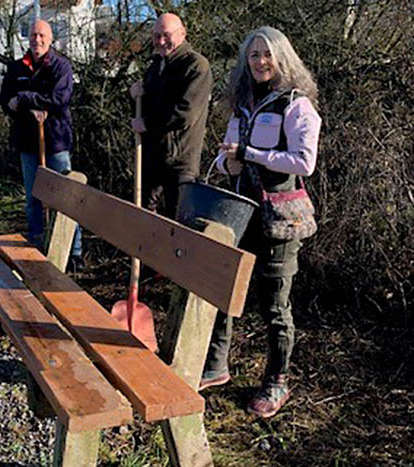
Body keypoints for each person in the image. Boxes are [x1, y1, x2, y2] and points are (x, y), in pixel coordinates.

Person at [201, 26, 322, 418]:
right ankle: (216, 365)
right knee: (224, 290)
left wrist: (251, 155)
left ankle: (277, 380)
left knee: (274, 306)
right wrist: (227, 161)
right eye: (253, 55)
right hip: (238, 213)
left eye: (266, 54)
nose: (259, 61)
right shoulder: (241, 103)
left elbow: (305, 162)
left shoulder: (296, 105)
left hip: (281, 219)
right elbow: (224, 155)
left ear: (282, 58)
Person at [0, 19, 82, 269]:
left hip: (55, 142)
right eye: (33, 35)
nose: (37, 40)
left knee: (65, 196)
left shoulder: (60, 67)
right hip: (27, 142)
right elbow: (5, 100)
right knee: (33, 197)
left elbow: (59, 99)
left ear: (50, 38)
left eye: (42, 35)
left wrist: (24, 98)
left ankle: (73, 251)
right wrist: (14, 104)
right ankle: (37, 245)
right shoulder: (16, 68)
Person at [129, 13, 213, 218]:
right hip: (152, 156)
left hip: (180, 160)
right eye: (156, 36)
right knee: (144, 218)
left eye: (166, 35)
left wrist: (147, 124)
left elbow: (185, 113)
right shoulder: (155, 66)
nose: (161, 41)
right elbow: (146, 108)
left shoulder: (196, 66)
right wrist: (134, 97)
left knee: (178, 221)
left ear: (182, 34)